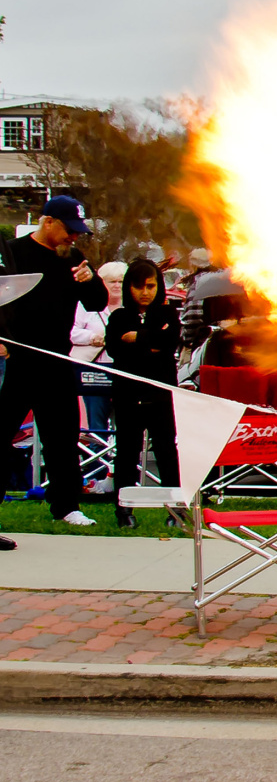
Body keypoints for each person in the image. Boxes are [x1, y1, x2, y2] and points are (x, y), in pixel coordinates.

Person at [0, 195, 110, 531]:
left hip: (58, 360)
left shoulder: (72, 257)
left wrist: (91, 280)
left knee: (63, 437)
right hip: (18, 358)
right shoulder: (13, 252)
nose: (73, 237)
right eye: (68, 230)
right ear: (48, 222)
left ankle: (66, 505)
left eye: (78, 232)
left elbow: (97, 303)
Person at [106, 259, 180, 528]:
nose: (145, 293)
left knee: (166, 450)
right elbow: (115, 349)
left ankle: (176, 509)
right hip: (127, 394)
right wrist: (151, 342)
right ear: (129, 288)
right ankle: (124, 510)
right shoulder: (118, 317)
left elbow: (169, 342)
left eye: (150, 286)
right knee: (127, 452)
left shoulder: (168, 314)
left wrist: (137, 338)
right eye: (139, 287)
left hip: (160, 393)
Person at [71, 259, 126, 434]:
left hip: (122, 370)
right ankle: (97, 450)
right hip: (94, 371)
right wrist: (92, 337)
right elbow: (71, 331)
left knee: (125, 422)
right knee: (96, 421)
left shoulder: (129, 308)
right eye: (112, 281)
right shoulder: (85, 305)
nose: (117, 286)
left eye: (121, 281)